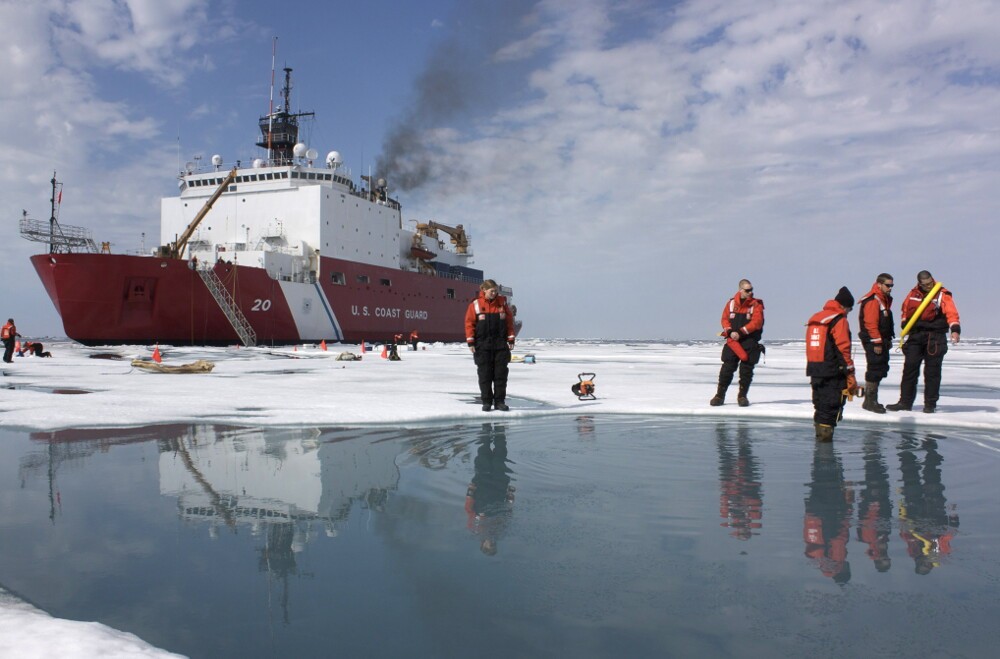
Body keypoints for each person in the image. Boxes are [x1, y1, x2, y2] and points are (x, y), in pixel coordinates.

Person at [886, 271, 961, 413]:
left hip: (935, 337)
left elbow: (952, 313)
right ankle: (905, 402)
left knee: (932, 373)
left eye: (930, 283)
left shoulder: (942, 294)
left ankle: (930, 405)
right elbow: (905, 309)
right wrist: (904, 324)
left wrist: (955, 330)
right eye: (925, 285)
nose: (928, 286)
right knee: (909, 369)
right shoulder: (913, 294)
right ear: (919, 283)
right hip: (915, 336)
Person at [805, 287, 857, 441]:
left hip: (815, 370)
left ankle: (820, 442)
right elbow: (843, 348)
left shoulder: (816, 318)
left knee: (820, 407)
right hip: (833, 371)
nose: (849, 312)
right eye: (850, 309)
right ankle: (826, 453)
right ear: (844, 306)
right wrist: (850, 373)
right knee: (831, 408)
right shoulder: (839, 320)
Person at [710, 280, 764, 407]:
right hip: (733, 341)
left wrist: (740, 332)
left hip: (749, 341)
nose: (750, 292)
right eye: (747, 290)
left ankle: (742, 396)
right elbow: (725, 319)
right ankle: (719, 395)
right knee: (727, 368)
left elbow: (757, 322)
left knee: (746, 370)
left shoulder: (756, 305)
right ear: (740, 290)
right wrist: (729, 331)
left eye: (751, 289)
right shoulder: (731, 304)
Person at [465, 279, 515, 412]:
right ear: (484, 290)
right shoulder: (475, 305)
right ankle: (486, 402)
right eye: (491, 291)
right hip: (482, 346)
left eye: (495, 291)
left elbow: (509, 323)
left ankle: (500, 402)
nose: (494, 293)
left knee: (500, 375)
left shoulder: (502, 304)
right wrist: (471, 342)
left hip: (500, 345)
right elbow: (469, 324)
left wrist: (511, 339)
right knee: (485, 375)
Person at [857, 273, 895, 413]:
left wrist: (887, 339)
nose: (890, 288)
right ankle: (869, 401)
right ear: (879, 284)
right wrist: (877, 342)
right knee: (875, 368)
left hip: (881, 339)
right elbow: (871, 323)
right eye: (888, 285)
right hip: (874, 341)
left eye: (892, 285)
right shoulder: (873, 301)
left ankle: (871, 400)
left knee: (880, 368)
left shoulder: (883, 299)